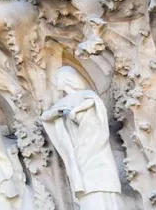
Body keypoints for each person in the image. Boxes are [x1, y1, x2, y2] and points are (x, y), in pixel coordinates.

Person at [41, 66, 122, 210]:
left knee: (101, 185)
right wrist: (58, 112)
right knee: (87, 187)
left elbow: (93, 103)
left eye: (57, 79)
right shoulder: (62, 103)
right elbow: (46, 116)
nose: (56, 83)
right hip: (78, 149)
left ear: (67, 79)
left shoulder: (86, 94)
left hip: (94, 146)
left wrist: (75, 111)